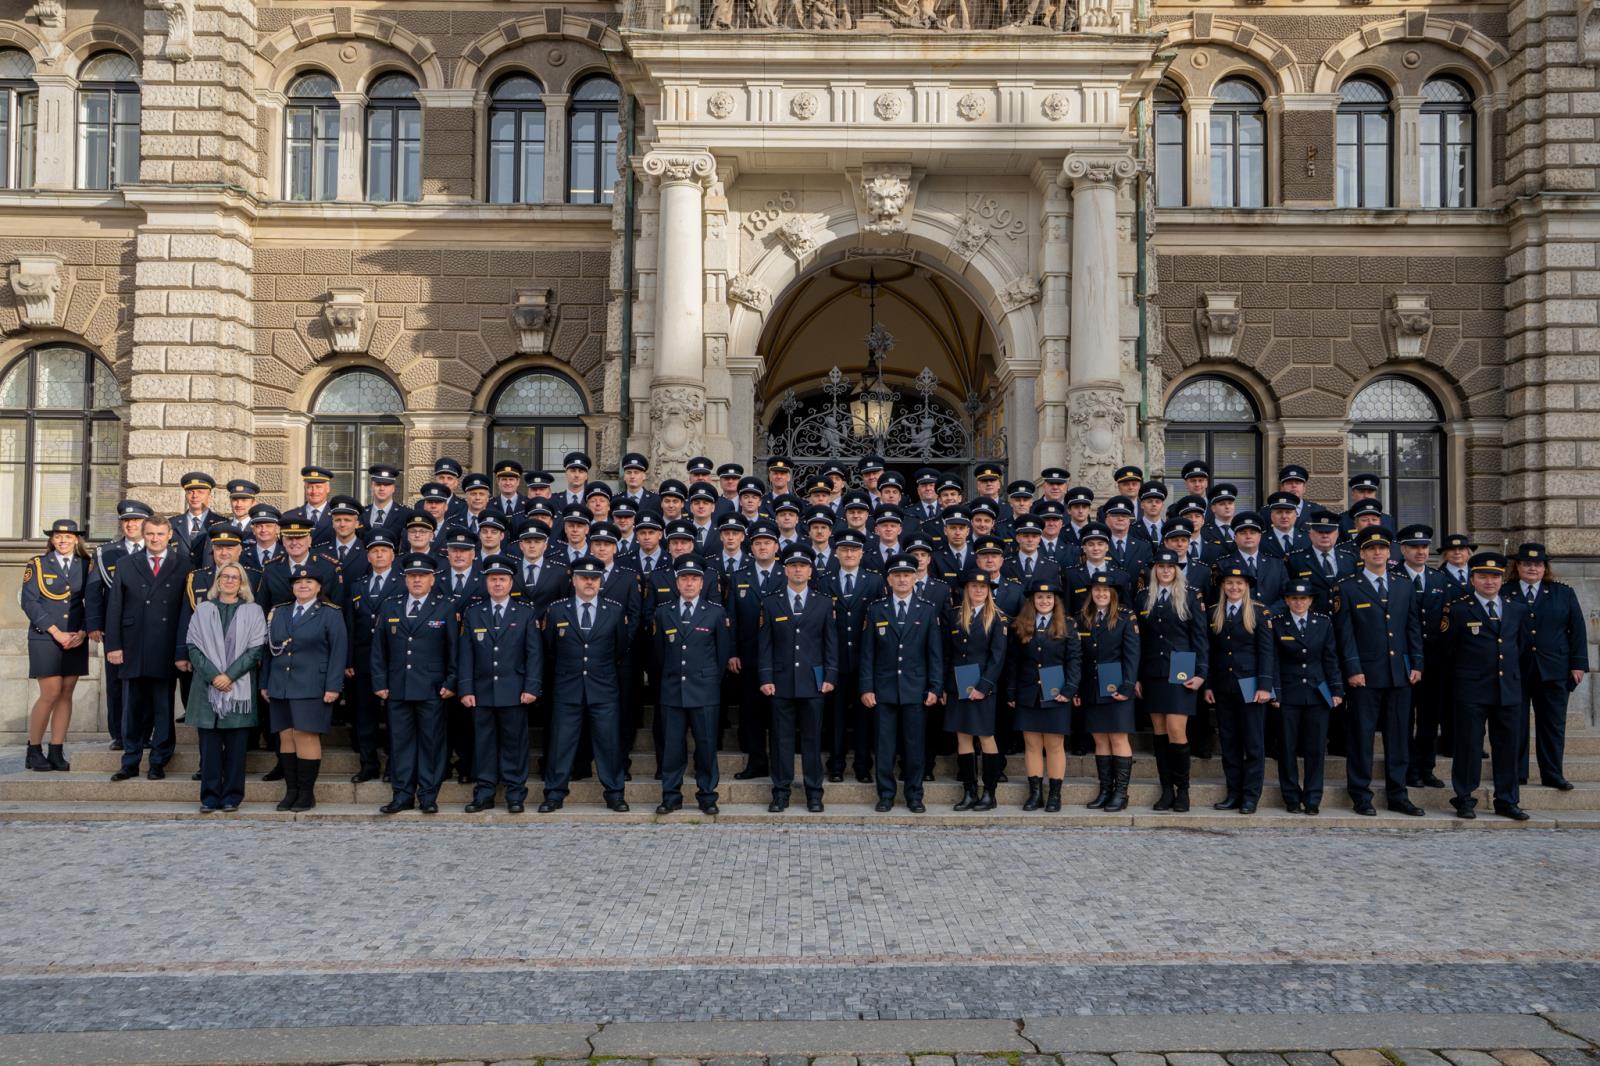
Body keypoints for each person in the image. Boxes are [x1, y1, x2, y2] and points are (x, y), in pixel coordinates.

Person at [1333, 527, 1425, 817]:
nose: (1377, 553)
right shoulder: (1347, 586)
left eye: (1382, 548)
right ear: (1362, 554)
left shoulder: (1403, 585)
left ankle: (1398, 794)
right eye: (1371, 549)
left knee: (1399, 738)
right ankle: (1361, 794)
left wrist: (1417, 664)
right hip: (1365, 676)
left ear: (1390, 552)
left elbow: (1412, 628)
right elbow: (1344, 634)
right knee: (1361, 738)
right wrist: (1352, 669)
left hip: (1399, 674)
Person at [540, 557, 633, 813]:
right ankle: (554, 794)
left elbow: (620, 648)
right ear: (573, 580)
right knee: (561, 743)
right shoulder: (557, 610)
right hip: (567, 687)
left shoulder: (614, 610)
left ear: (600, 581)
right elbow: (550, 649)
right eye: (584, 578)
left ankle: (614, 793)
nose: (589, 582)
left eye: (594, 578)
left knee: (608, 743)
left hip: (603, 687)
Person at [1447, 552, 1535, 820]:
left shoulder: (1516, 608)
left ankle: (1507, 799)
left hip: (1507, 688)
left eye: (1495, 576)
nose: (1489, 581)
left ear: (1502, 579)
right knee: (1469, 746)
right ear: (1472, 578)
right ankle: (1464, 797)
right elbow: (1447, 651)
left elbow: (1521, 648)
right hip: (1471, 689)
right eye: (1483, 576)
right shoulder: (1459, 609)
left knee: (1508, 747)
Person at [107, 516, 193, 782]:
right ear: (143, 535)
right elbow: (115, 607)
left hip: (165, 645)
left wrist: (182, 651)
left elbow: (186, 612)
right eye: (150, 534)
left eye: (160, 534)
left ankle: (159, 760)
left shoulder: (184, 564)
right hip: (133, 644)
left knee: (163, 706)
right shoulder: (125, 563)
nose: (155, 539)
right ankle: (130, 760)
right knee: (132, 707)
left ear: (169, 536)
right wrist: (114, 645)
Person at [373, 553, 459, 815]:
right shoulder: (391, 606)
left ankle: (428, 795)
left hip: (432, 687)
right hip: (398, 687)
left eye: (422, 576)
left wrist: (452, 680)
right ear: (406, 580)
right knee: (400, 743)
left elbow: (454, 649)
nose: (417, 580)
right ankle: (402, 795)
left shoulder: (445, 606)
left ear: (432, 580)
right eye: (412, 576)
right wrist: (380, 681)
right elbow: (379, 649)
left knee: (431, 744)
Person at [457, 555, 543, 814]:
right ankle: (484, 793)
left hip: (514, 691)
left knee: (514, 745)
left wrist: (531, 687)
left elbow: (534, 654)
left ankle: (515, 794)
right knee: (483, 744)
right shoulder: (474, 613)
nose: (497, 584)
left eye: (502, 579)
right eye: (493, 579)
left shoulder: (525, 613)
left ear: (510, 583)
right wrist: (465, 688)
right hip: (481, 692)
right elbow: (466, 654)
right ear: (486, 582)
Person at [859, 553, 944, 813]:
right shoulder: (876, 609)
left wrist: (935, 687)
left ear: (915, 578)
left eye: (907, 575)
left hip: (915, 689)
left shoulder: (927, 609)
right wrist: (866, 687)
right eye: (897, 575)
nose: (902, 579)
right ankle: (885, 794)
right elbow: (867, 653)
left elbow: (935, 653)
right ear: (889, 579)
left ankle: (914, 795)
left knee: (914, 746)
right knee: (884, 746)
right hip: (884, 690)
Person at [758, 544, 839, 813]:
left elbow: (830, 644)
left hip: (814, 682)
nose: (798, 570)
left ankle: (814, 793)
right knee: (781, 740)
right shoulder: (771, 602)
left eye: (803, 566)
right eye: (793, 566)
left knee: (812, 740)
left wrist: (830, 675)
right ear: (785, 570)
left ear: (810, 570)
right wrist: (765, 676)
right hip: (780, 682)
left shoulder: (824, 602)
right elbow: (765, 644)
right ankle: (780, 792)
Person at [260, 566, 347, 812]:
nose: (303, 585)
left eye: (310, 581)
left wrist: (333, 686)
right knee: (286, 736)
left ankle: (306, 794)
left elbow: (339, 651)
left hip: (312, 684)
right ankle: (292, 791)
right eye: (298, 582)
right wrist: (265, 682)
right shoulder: (279, 612)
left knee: (305, 735)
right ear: (292, 587)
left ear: (319, 587)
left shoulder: (330, 614)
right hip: (281, 684)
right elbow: (269, 650)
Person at [653, 555, 735, 814]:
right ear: (677, 583)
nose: (689, 583)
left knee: (707, 746)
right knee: (672, 748)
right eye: (684, 578)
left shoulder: (715, 612)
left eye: (694, 579)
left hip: (704, 690)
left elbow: (722, 655)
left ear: (702, 583)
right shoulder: (663, 612)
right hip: (672, 690)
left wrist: (710, 681)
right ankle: (671, 795)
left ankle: (708, 795)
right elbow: (657, 655)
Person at [184, 563, 267, 812]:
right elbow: (193, 647)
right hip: (206, 687)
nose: (230, 581)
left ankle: (232, 796)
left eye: (235, 577)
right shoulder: (203, 609)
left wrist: (229, 675)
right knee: (208, 749)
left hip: (238, 687)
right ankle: (209, 797)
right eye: (225, 576)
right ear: (217, 580)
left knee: (236, 749)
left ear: (242, 582)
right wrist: (214, 676)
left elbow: (255, 650)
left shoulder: (253, 611)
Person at [1506, 543, 1589, 790]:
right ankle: (1517, 773)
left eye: (1538, 564)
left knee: (1552, 725)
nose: (1533, 568)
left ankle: (1552, 773)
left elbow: (1577, 631)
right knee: (1515, 724)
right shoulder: (1504, 591)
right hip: (1515, 669)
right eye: (1527, 563)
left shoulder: (1563, 593)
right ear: (1518, 566)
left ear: (1545, 568)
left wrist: (1578, 665)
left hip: (1554, 669)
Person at [1135, 549, 1208, 813]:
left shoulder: (1189, 595)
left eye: (1170, 567)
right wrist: (1136, 677)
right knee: (1159, 732)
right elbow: (1139, 640)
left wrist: (1201, 673)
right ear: (1154, 569)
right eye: (1160, 567)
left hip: (1182, 670)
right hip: (1153, 671)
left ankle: (1183, 790)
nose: (1165, 571)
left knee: (1177, 730)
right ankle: (1166, 789)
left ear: (1176, 569)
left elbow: (1200, 637)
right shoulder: (1144, 596)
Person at [20, 519, 92, 772]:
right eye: (58, 537)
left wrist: (83, 632)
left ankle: (57, 750)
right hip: (46, 636)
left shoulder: (86, 565)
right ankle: (34, 750)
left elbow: (90, 601)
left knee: (66, 693)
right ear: (51, 540)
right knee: (50, 692)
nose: (63, 541)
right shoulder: (37, 564)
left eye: (69, 537)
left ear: (76, 539)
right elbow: (30, 603)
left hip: (74, 637)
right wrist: (56, 632)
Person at [1205, 565, 1276, 814]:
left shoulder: (1258, 612)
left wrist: (1266, 686)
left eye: (1239, 584)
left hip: (1251, 685)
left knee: (1253, 744)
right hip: (1224, 685)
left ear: (1247, 587)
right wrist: (1209, 685)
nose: (1234, 588)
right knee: (1229, 742)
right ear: (1223, 586)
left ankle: (1250, 796)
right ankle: (1233, 793)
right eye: (1229, 583)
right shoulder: (1215, 612)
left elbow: (1267, 652)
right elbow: (1212, 652)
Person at [1270, 580, 1343, 815]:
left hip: (1317, 692)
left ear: (1310, 601)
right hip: (1288, 694)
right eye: (1294, 598)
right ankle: (1291, 796)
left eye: (1303, 598)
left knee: (1315, 749)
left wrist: (1336, 690)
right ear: (1287, 601)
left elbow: (1331, 658)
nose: (1299, 602)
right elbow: (1273, 661)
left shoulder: (1322, 623)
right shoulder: (1278, 624)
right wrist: (1275, 692)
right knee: (1287, 748)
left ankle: (1312, 798)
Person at [1007, 579, 1080, 811]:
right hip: (1028, 691)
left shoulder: (1068, 625)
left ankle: (1054, 795)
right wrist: (1011, 690)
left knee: (1054, 744)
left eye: (1049, 597)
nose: (1044, 601)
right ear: (1032, 601)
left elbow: (1075, 661)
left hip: (1057, 692)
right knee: (1032, 743)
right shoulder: (1020, 624)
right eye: (1039, 597)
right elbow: (1013, 662)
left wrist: (1069, 690)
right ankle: (1035, 793)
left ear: (1055, 601)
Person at [87, 500, 154, 751]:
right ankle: (119, 734)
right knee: (116, 683)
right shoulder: (107, 552)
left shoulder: (157, 549)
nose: (131, 525)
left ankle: (144, 733)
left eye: (136, 520)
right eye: (126, 521)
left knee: (146, 682)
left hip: (148, 629)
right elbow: (94, 590)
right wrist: (94, 623)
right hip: (115, 628)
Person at [945, 570, 1009, 811]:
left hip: (983, 687)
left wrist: (984, 686)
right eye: (974, 586)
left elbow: (998, 657)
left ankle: (989, 793)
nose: (979, 590)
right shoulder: (955, 615)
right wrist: (945, 685)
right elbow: (949, 653)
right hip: (958, 685)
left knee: (985, 736)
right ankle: (969, 791)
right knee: (963, 736)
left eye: (983, 587)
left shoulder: (997, 618)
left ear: (989, 591)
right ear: (966, 589)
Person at [1076, 572, 1141, 812]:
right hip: (1093, 687)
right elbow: (1079, 657)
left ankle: (1120, 793)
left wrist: (1127, 686)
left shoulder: (1125, 617)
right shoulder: (1083, 618)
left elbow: (1132, 655)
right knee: (1100, 739)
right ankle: (1105, 790)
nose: (1101, 594)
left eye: (1105, 590)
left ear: (1112, 594)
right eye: (1096, 590)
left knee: (1118, 738)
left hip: (1118, 688)